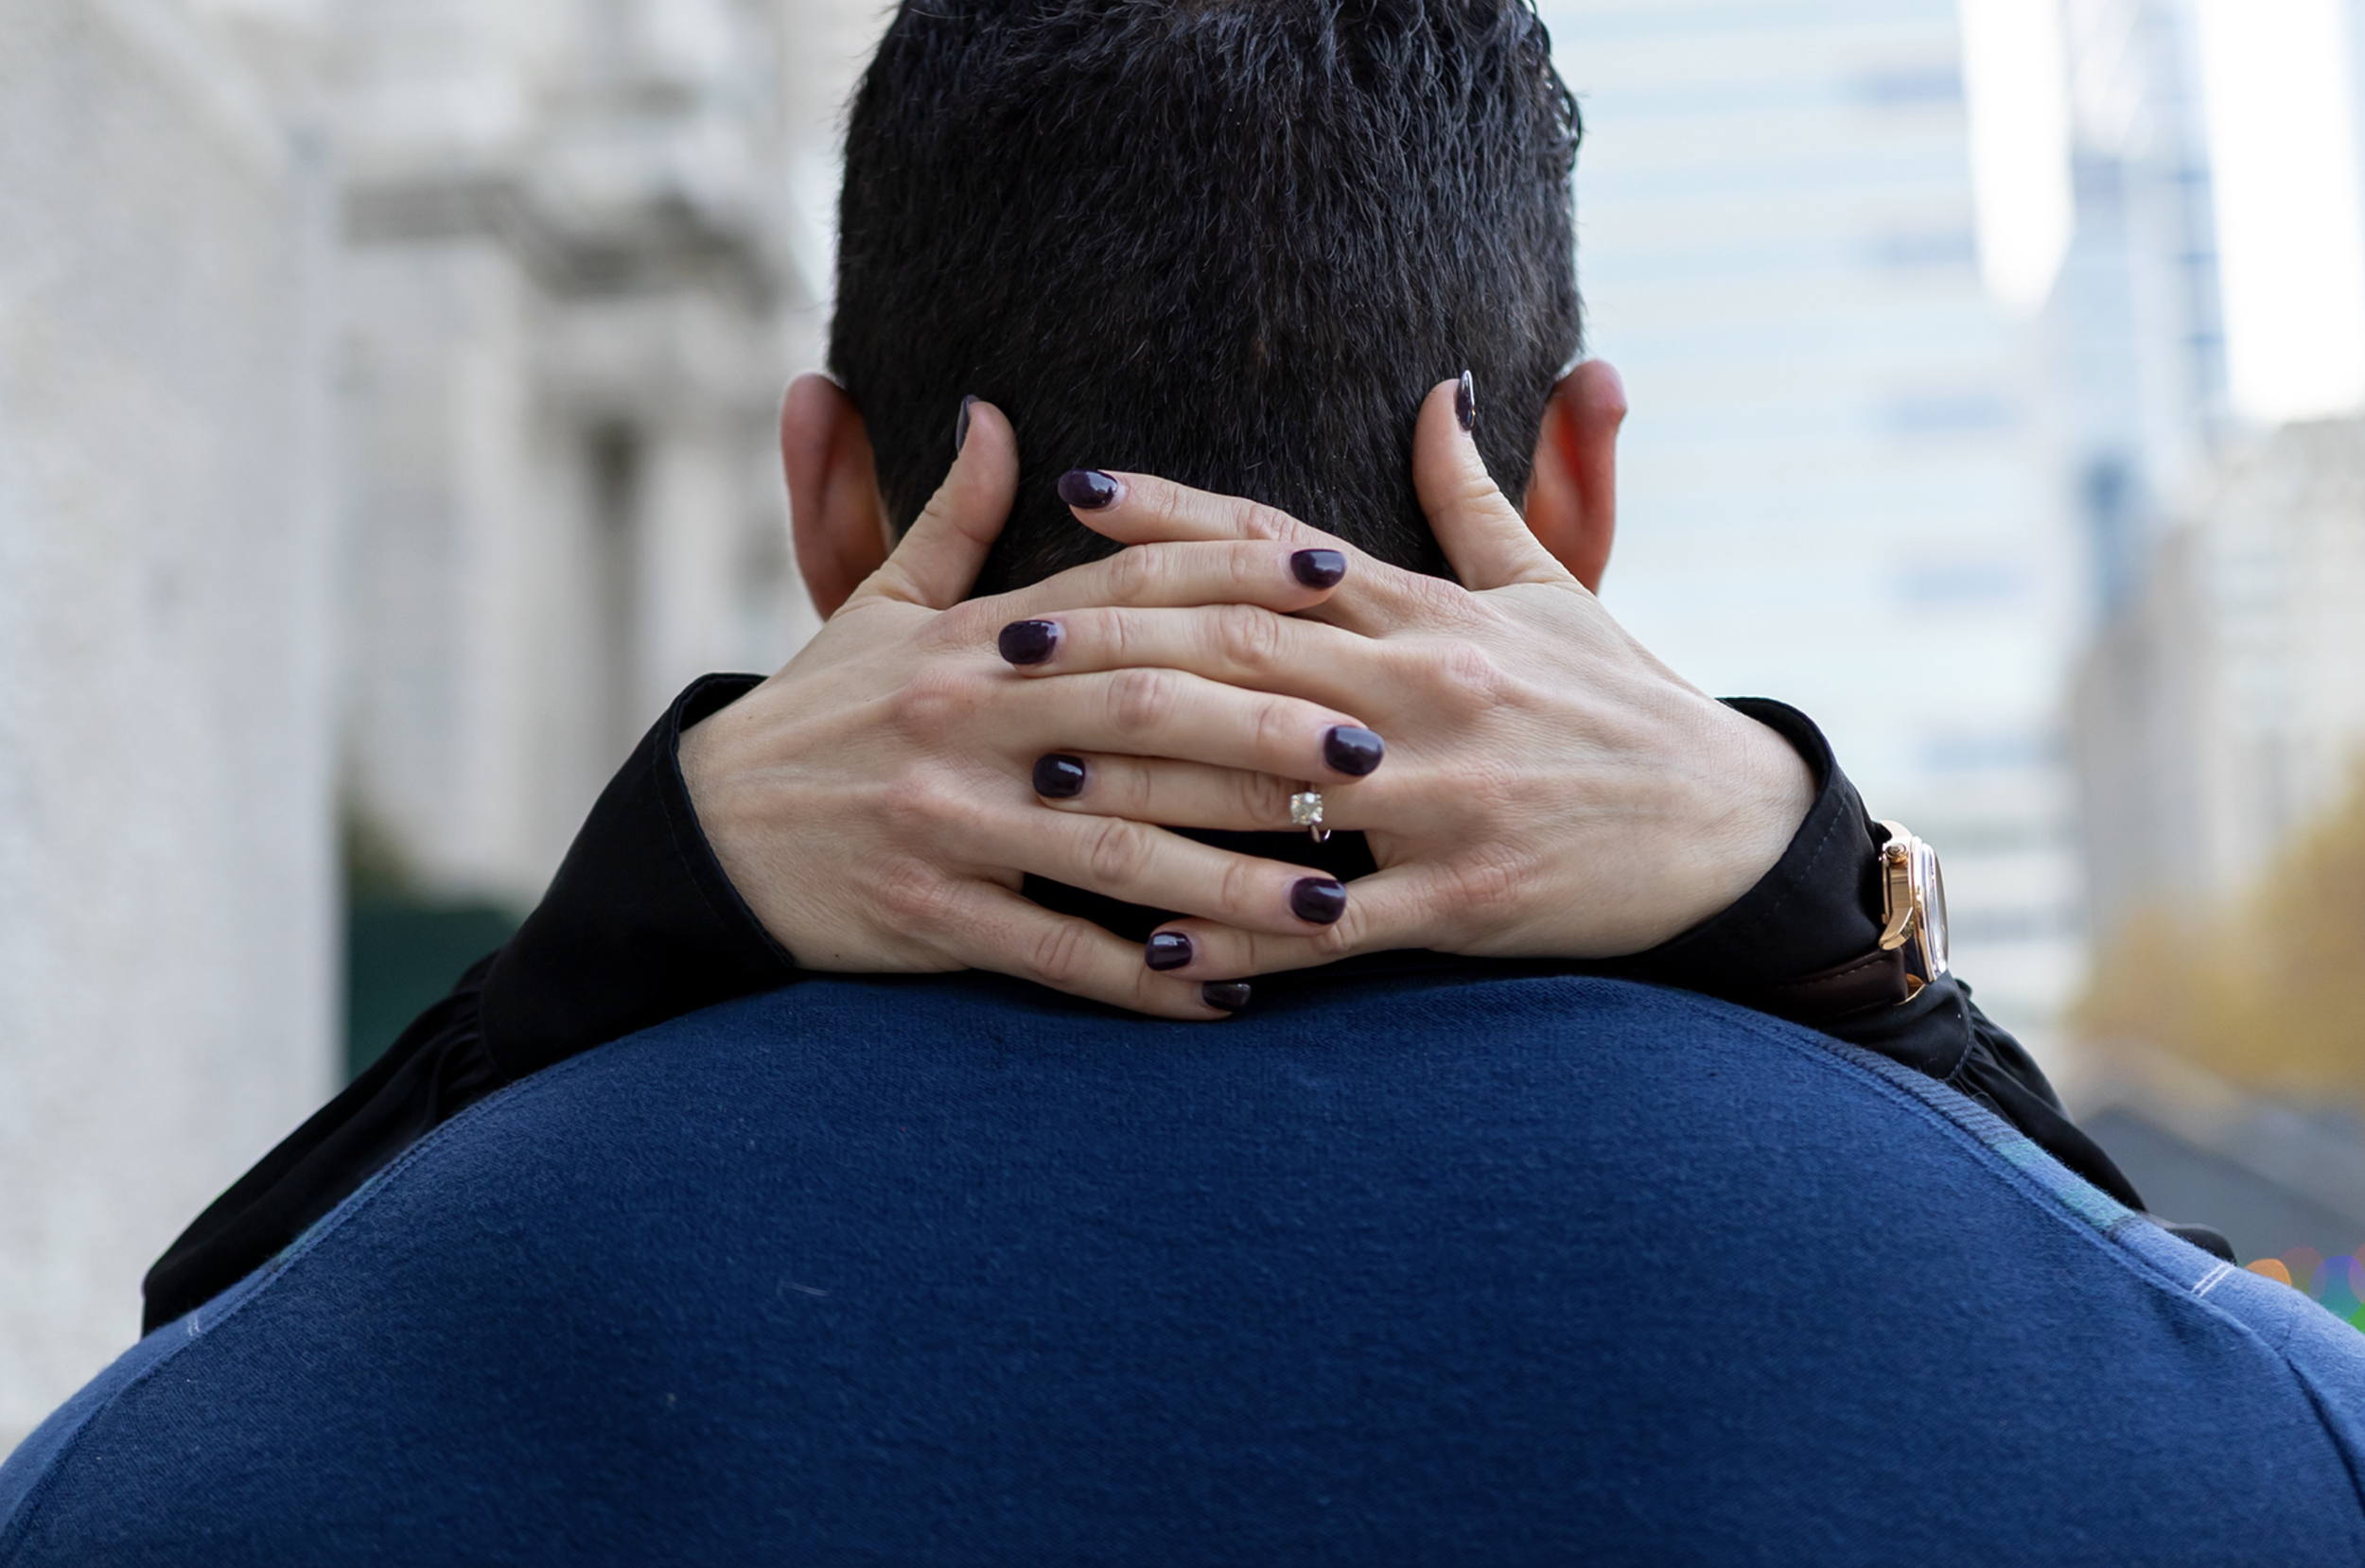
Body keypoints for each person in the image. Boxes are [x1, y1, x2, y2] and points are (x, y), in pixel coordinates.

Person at [7, 0, 2360, 1556]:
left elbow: (179, 1368)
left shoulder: (225, 1450)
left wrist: (644, 895)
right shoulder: (2247, 1440)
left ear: (826, 502)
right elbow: (2147, 1298)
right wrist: (1803, 873)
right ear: (1580, 490)